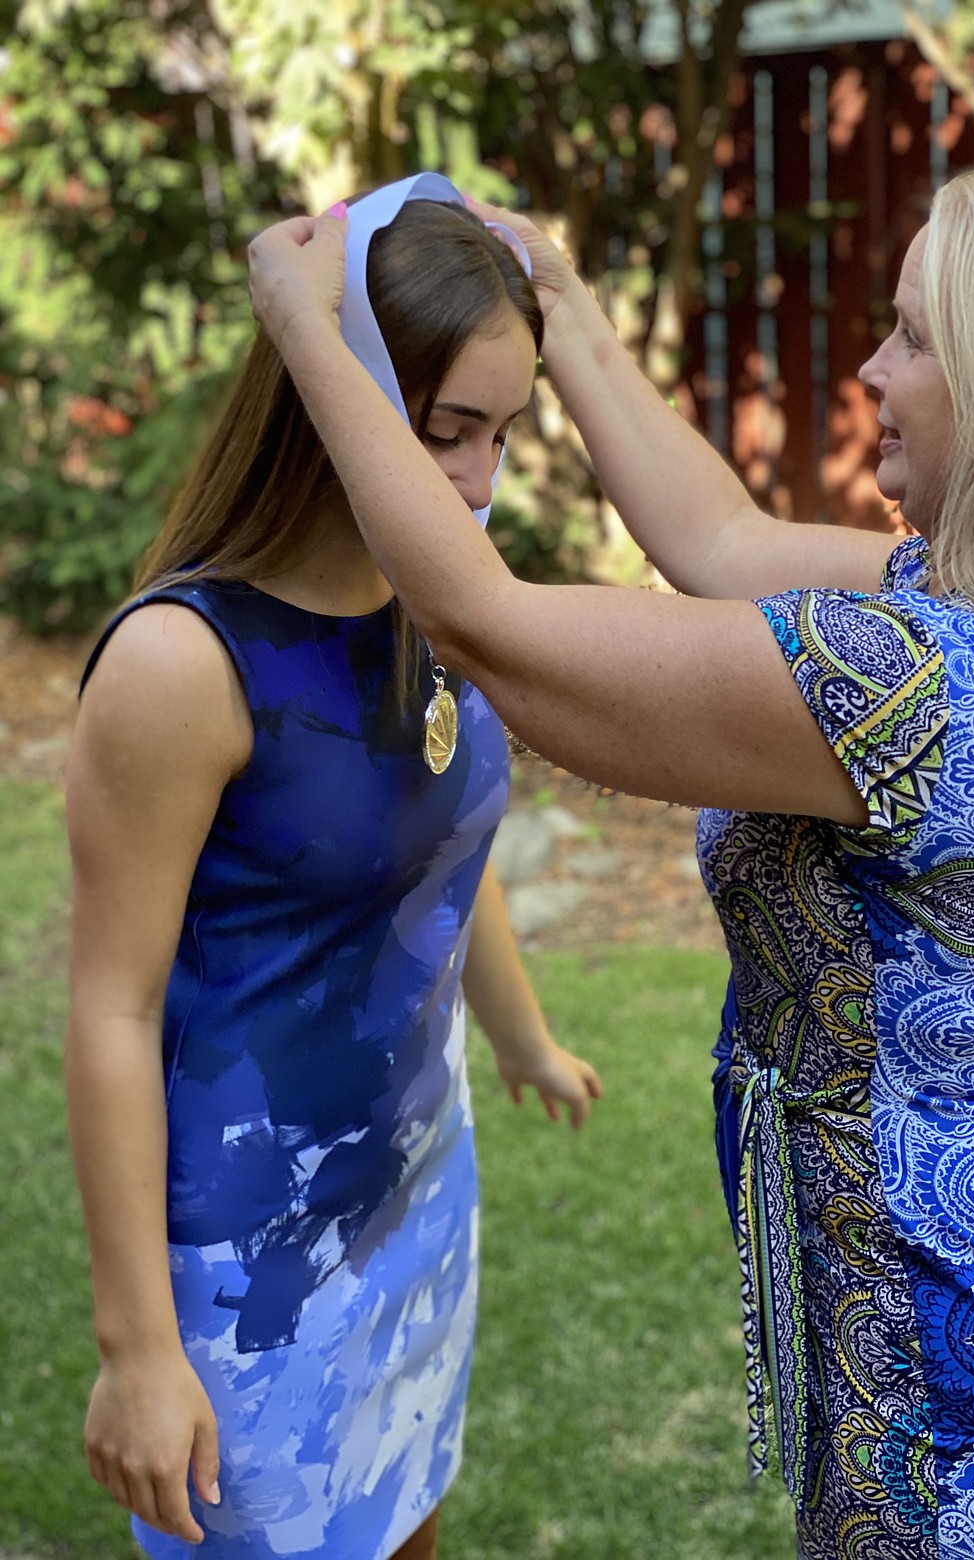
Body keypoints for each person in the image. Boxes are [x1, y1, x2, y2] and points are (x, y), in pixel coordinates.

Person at [246, 157, 974, 1559]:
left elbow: (488, 627)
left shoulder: (922, 682)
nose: (867, 367)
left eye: (913, 338)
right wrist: (563, 311)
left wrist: (306, 324)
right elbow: (716, 538)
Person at [65, 173, 600, 1560]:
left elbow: (444, 844)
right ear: (332, 391)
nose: (479, 483)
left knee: (407, 1523)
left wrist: (524, 1040)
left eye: (503, 434)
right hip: (247, 1269)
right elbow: (111, 1012)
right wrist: (138, 1348)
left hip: (418, 1186)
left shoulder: (440, 597)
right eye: (444, 434)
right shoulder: (186, 664)